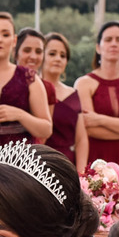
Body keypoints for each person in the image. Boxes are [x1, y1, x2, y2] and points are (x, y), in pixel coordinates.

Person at [0, 12, 52, 151]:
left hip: (20, 159)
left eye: (5, 34)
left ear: (14, 41)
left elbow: (46, 130)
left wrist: (19, 115)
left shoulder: (28, 78)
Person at [76, 20, 119, 173]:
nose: (114, 44)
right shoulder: (84, 83)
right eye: (108, 39)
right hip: (96, 157)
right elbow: (89, 128)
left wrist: (99, 119)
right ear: (98, 47)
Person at [41, 31, 88, 171]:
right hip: (38, 163)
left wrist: (81, 174)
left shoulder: (73, 94)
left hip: (67, 166)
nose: (58, 59)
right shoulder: (32, 90)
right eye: (52, 54)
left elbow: (81, 140)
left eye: (63, 55)